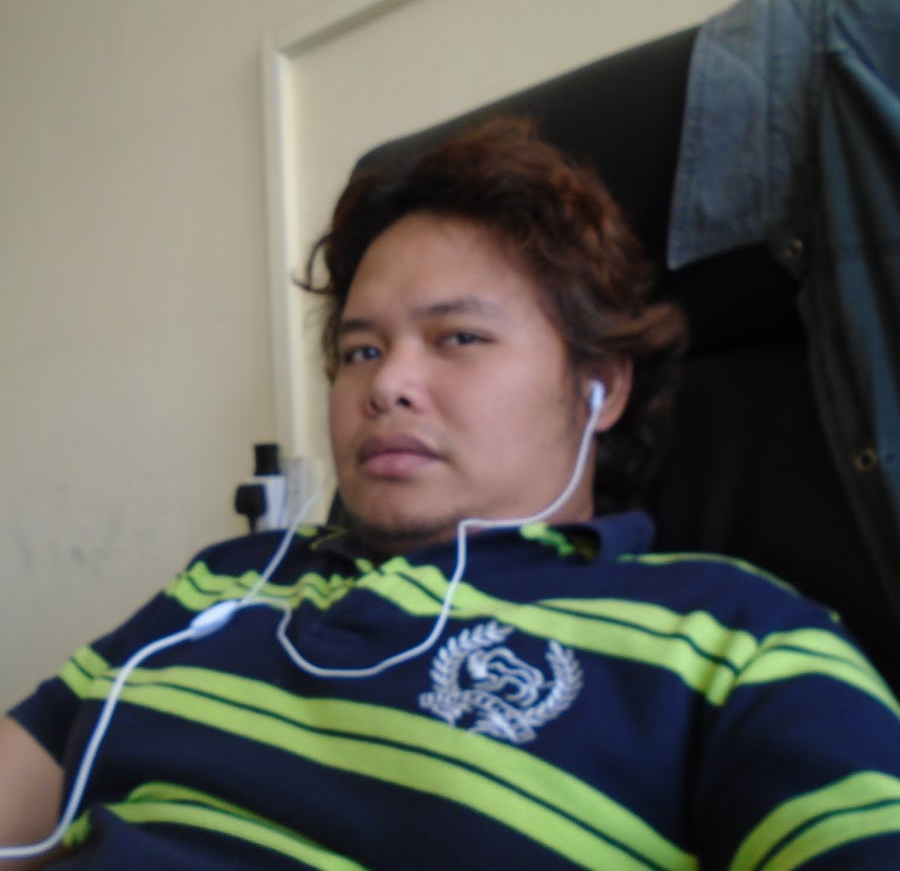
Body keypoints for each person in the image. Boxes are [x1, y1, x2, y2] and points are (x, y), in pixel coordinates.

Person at [2, 117, 900, 870]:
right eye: (361, 350)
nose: (386, 385)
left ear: (602, 386)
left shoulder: (735, 641)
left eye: (459, 338)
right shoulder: (224, 584)